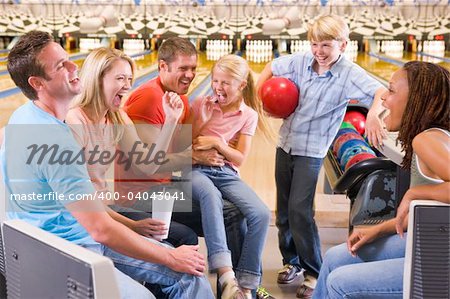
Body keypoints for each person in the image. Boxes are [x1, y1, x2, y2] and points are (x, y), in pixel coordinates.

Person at [2, 30, 214, 298]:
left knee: (183, 264)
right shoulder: (59, 138)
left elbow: (145, 164)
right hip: (71, 249)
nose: (73, 67)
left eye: (69, 59)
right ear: (38, 83)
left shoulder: (24, 117)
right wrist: (168, 258)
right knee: (181, 274)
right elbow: (99, 228)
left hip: (56, 237)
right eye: (61, 66)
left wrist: (172, 121)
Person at [256, 14, 387, 298]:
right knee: (282, 213)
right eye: (315, 44)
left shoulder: (348, 73)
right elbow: (271, 67)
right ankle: (291, 262)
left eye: (326, 45)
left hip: (312, 151)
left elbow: (381, 91)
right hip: (286, 145)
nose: (319, 51)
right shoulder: (301, 60)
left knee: (300, 212)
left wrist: (374, 114)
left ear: (343, 44)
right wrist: (261, 100)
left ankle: (314, 270)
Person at [313, 61, 449, 298]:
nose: (384, 98)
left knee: (340, 282)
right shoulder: (433, 136)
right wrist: (379, 229)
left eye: (392, 90)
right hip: (432, 240)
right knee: (336, 256)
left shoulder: (426, 141)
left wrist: (414, 193)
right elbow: (433, 212)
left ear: (419, 99)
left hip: (439, 260)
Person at [117, 37, 246, 269]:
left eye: (194, 68)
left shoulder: (180, 98)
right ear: (162, 67)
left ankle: (235, 285)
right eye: (183, 68)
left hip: (164, 187)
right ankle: (236, 286)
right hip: (139, 195)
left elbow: (179, 149)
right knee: (231, 214)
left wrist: (217, 136)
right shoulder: (148, 98)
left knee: (234, 204)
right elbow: (146, 164)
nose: (190, 75)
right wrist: (195, 156)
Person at [65, 47, 198, 247]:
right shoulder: (75, 120)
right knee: (177, 237)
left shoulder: (117, 118)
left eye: (129, 79)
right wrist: (132, 226)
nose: (127, 86)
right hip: (85, 217)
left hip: (107, 208)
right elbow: (78, 198)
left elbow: (149, 165)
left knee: (181, 235)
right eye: (120, 78)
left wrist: (171, 120)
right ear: (97, 78)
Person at [186, 54, 272, 298]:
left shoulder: (248, 115)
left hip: (226, 172)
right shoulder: (201, 104)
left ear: (241, 85)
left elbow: (239, 158)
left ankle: (246, 283)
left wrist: (217, 143)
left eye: (225, 83)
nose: (218, 87)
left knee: (260, 213)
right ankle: (226, 275)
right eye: (215, 81)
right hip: (196, 170)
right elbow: (185, 144)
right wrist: (201, 120)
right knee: (210, 195)